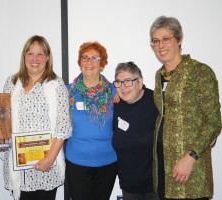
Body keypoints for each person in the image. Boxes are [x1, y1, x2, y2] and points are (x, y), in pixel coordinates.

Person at [149, 16, 222, 200]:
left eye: (166, 39)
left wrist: (191, 157)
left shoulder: (200, 71)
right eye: (156, 41)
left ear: (179, 39)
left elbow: (213, 121)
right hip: (163, 165)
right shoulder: (159, 75)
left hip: (191, 168)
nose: (160, 45)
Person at [2, 35, 72, 200]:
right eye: (30, 53)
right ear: (24, 56)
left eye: (40, 54)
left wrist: (50, 159)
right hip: (18, 166)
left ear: (47, 57)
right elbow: (2, 120)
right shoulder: (11, 83)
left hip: (46, 165)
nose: (35, 59)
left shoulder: (56, 85)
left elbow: (63, 127)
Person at [65, 41, 117, 200]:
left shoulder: (114, 91)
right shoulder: (68, 92)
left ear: (103, 64)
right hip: (77, 161)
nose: (89, 62)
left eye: (95, 58)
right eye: (85, 58)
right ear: (80, 62)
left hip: (108, 161)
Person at [112, 62, 159, 200]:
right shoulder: (116, 105)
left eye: (128, 81)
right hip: (128, 185)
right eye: (119, 82)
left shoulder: (156, 101)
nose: (123, 87)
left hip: (155, 187)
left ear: (140, 82)